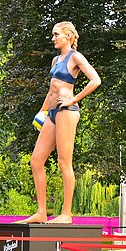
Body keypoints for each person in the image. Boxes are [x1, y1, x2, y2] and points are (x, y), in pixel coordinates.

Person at [22, 22, 101, 224]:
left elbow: (95, 80)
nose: (53, 38)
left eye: (56, 34)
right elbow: (51, 90)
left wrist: (73, 100)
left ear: (68, 36)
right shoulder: (56, 60)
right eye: (53, 35)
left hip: (67, 111)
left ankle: (66, 214)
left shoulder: (76, 57)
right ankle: (41, 212)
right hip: (52, 112)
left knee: (64, 162)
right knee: (36, 160)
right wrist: (42, 111)